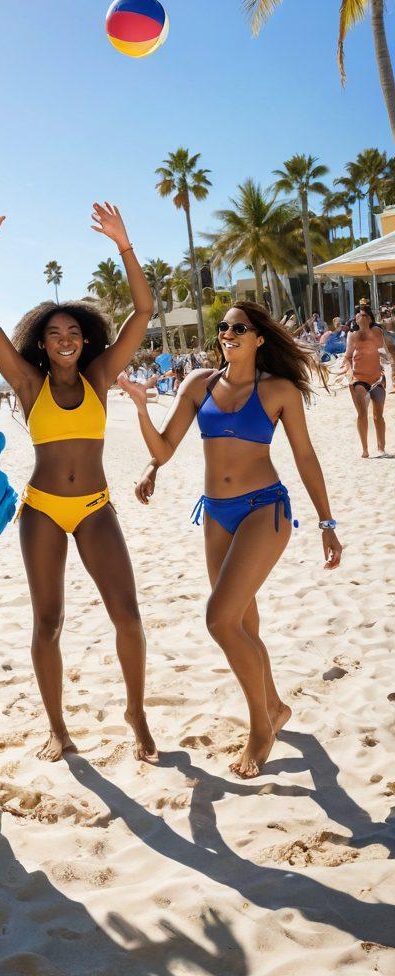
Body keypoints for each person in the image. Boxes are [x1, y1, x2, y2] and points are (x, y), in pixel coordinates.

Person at [0, 196, 157, 762]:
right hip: (44, 510)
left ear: (84, 338)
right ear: (42, 345)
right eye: (54, 333)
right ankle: (57, 727)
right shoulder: (27, 385)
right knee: (48, 621)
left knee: (128, 615)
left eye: (73, 329)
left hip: (96, 507)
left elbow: (142, 313)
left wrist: (124, 244)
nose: (65, 337)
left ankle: (136, 714)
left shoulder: (99, 375)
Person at [118, 302, 341, 778]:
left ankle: (262, 729)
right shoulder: (198, 384)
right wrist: (141, 413)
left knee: (220, 620)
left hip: (265, 509)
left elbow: (304, 456)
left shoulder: (279, 390)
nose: (227, 333)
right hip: (216, 514)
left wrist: (327, 523)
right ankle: (275, 706)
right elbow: (163, 447)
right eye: (223, 327)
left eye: (239, 327)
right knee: (242, 624)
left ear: (259, 337)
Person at [337, 304, 395, 457]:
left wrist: (389, 369)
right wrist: (347, 371)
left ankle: (381, 448)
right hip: (359, 379)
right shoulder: (353, 335)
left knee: (379, 416)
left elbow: (384, 352)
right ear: (355, 319)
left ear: (370, 318)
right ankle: (365, 449)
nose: (362, 318)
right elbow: (347, 356)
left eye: (365, 316)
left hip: (377, 379)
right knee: (362, 414)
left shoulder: (377, 332)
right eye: (359, 316)